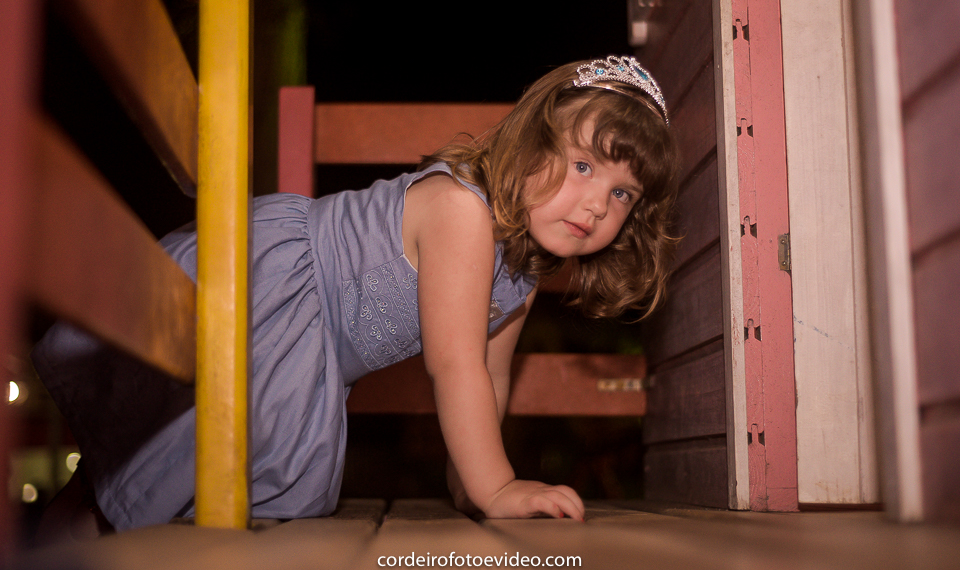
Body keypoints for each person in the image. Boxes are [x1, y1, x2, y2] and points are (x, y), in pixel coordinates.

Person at [31, 55, 680, 533]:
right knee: (179, 454)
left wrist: (471, 485)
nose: (596, 204)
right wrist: (499, 486)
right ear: (532, 142)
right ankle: (57, 539)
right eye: (584, 165)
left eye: (622, 192)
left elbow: (490, 374)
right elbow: (454, 364)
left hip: (314, 347)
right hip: (280, 291)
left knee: (161, 471)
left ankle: (61, 536)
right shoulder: (463, 211)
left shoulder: (524, 270)